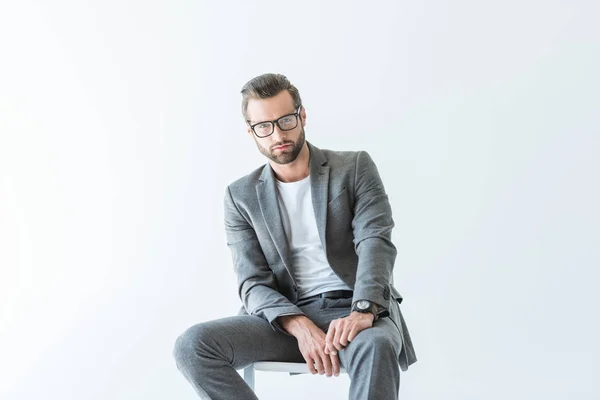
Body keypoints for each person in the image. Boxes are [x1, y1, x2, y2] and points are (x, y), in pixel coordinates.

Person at [173, 73, 417, 399]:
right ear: (251, 132)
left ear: (302, 115)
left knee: (378, 347)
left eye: (286, 120)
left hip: (356, 311)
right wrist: (299, 325)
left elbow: (376, 243)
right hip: (285, 320)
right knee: (193, 346)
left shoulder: (354, 167)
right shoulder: (240, 196)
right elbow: (252, 283)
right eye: (264, 126)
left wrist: (362, 310)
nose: (278, 134)